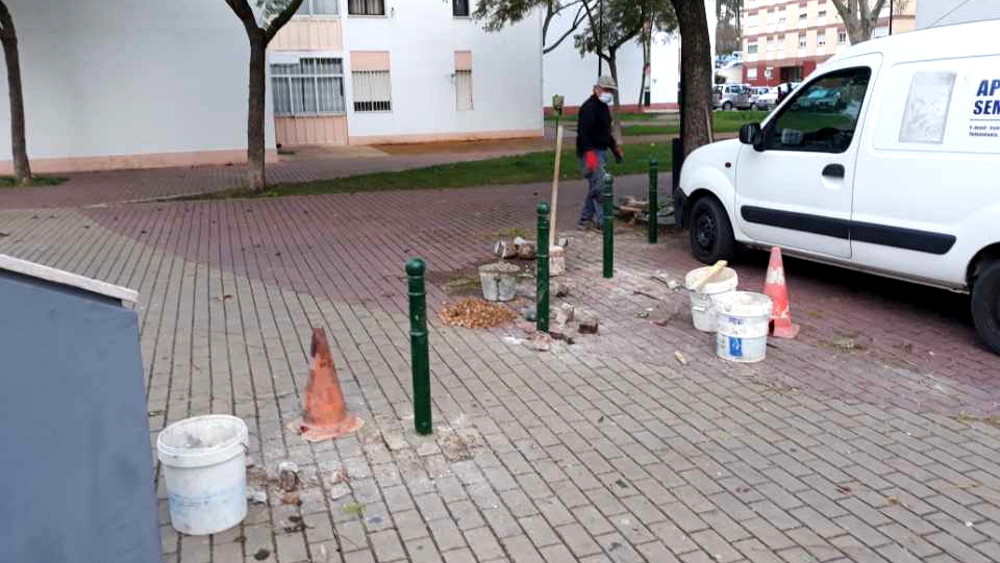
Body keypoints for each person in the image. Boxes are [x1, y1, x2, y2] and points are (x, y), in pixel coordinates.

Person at [576, 75, 624, 230]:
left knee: (596, 186)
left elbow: (605, 133)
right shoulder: (588, 108)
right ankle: (603, 221)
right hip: (590, 153)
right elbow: (584, 134)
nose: (608, 93)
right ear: (597, 89)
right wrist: (590, 156)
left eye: (611, 90)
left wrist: (615, 150)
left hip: (601, 151)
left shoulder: (603, 108)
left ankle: (585, 220)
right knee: (601, 185)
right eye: (606, 89)